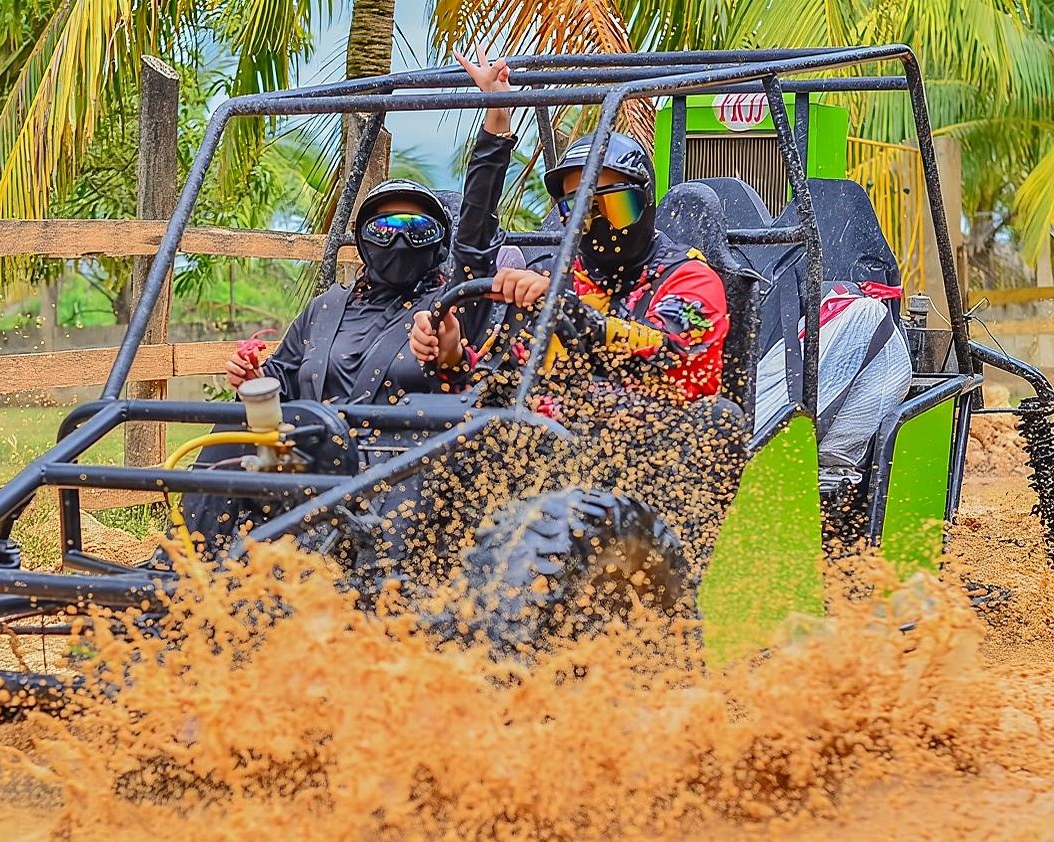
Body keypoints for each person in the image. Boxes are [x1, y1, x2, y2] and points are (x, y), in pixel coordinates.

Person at [180, 46, 520, 551]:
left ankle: (367, 595)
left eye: (417, 227)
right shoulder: (326, 308)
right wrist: (254, 379)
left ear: (439, 241)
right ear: (362, 241)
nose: (401, 238)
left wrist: (495, 123)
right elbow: (283, 379)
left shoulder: (450, 304)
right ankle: (197, 571)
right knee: (229, 436)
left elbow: (475, 237)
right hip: (309, 468)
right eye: (385, 226)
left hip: (401, 478)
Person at [410, 131, 730, 403]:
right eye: (580, 208)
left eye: (615, 205)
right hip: (548, 459)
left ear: (645, 202)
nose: (598, 221)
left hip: (656, 456)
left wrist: (567, 310)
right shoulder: (555, 279)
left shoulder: (690, 280)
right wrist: (452, 358)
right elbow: (494, 384)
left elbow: (671, 357)